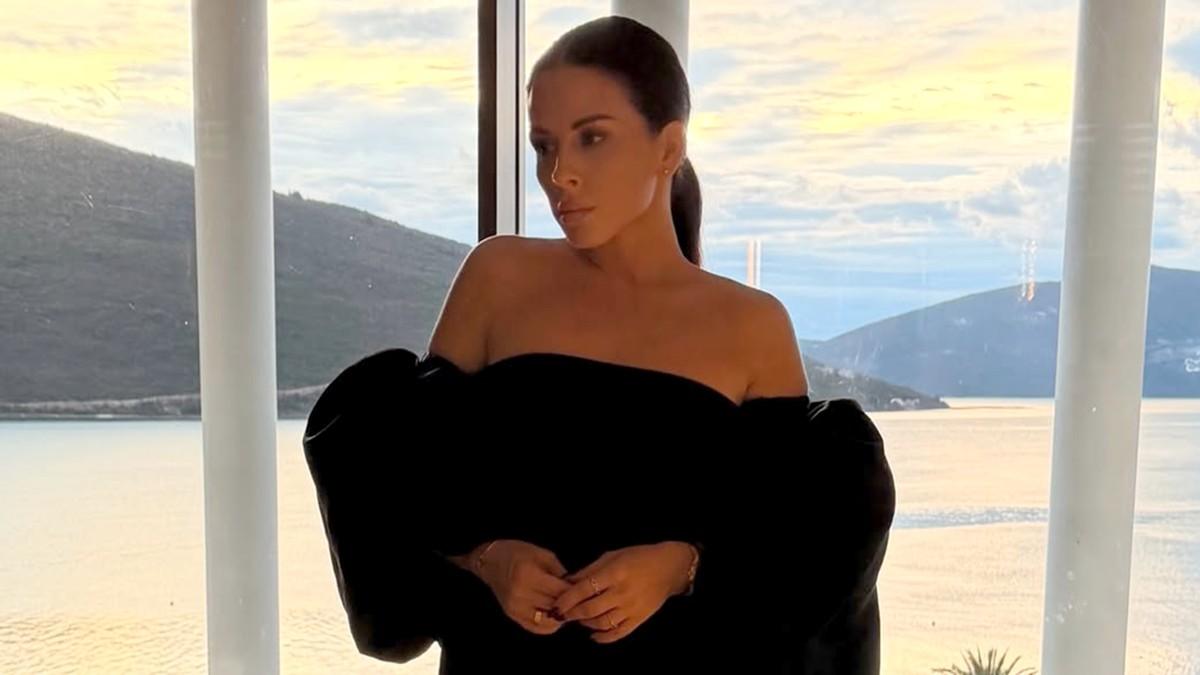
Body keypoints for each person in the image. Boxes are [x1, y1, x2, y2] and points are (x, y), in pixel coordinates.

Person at [302, 15, 895, 675]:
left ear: (668, 148)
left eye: (592, 138)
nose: (560, 174)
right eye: (544, 145)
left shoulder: (752, 326)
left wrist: (678, 568)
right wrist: (487, 559)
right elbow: (406, 487)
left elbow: (792, 555)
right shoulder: (497, 277)